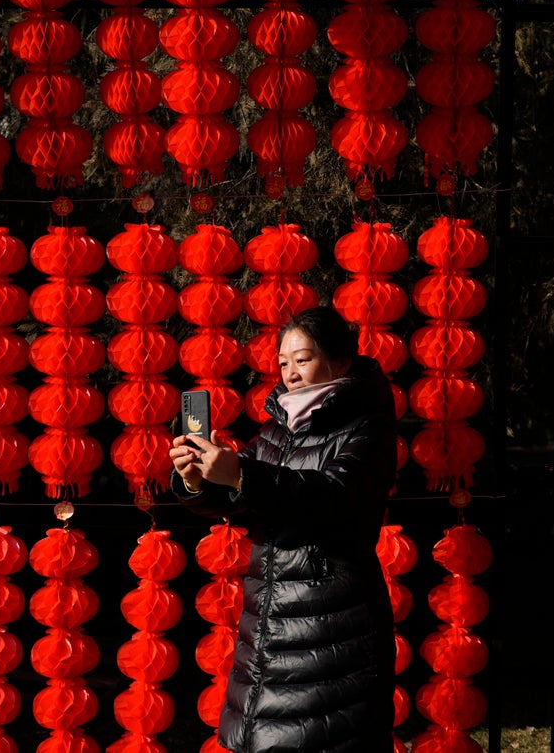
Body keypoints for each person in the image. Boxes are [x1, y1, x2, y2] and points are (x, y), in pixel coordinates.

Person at [169, 306, 398, 753]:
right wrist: (198, 480)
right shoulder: (278, 430)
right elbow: (247, 497)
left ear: (341, 361)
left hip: (332, 622)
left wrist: (241, 475)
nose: (290, 373)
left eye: (303, 358)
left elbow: (333, 494)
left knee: (323, 739)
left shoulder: (365, 425)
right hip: (269, 621)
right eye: (283, 362)